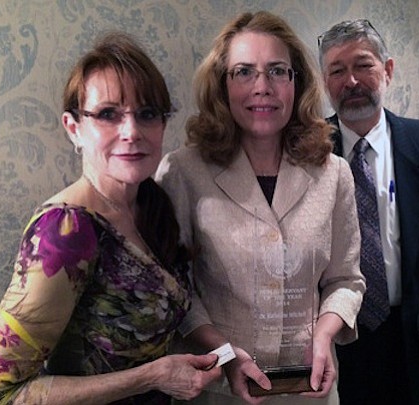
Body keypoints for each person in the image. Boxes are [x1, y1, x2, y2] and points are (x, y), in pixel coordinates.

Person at [0, 32, 221, 404]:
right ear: (74, 128)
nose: (132, 132)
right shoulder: (65, 234)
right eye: (108, 114)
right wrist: (152, 375)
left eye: (147, 114)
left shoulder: (152, 205)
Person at [155, 10, 365, 405]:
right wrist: (226, 354)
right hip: (216, 387)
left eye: (277, 71)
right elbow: (174, 291)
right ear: (222, 85)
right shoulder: (183, 172)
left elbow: (346, 280)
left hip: (308, 387)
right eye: (244, 72)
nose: (262, 86)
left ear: (296, 82)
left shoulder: (334, 173)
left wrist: (324, 334)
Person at [318, 19, 419, 404]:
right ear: (325, 82)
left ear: (387, 70)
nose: (351, 81)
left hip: (409, 333)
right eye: (337, 71)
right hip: (332, 332)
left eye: (363, 65)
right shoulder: (305, 152)